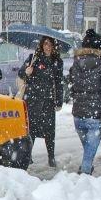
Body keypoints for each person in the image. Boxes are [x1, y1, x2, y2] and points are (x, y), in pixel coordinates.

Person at [68, 29, 101, 175]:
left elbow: (71, 86)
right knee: (89, 152)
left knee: (88, 149)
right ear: (99, 48)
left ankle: (85, 167)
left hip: (78, 114)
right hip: (94, 116)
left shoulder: (75, 64)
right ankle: (85, 172)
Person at [18, 35, 64, 168]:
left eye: (50, 44)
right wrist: (27, 71)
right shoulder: (34, 58)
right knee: (31, 130)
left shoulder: (57, 61)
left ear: (54, 47)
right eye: (45, 44)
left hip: (48, 101)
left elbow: (59, 82)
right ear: (42, 45)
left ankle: (51, 156)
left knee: (50, 130)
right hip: (33, 100)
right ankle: (28, 156)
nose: (48, 47)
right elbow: (21, 73)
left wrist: (59, 102)